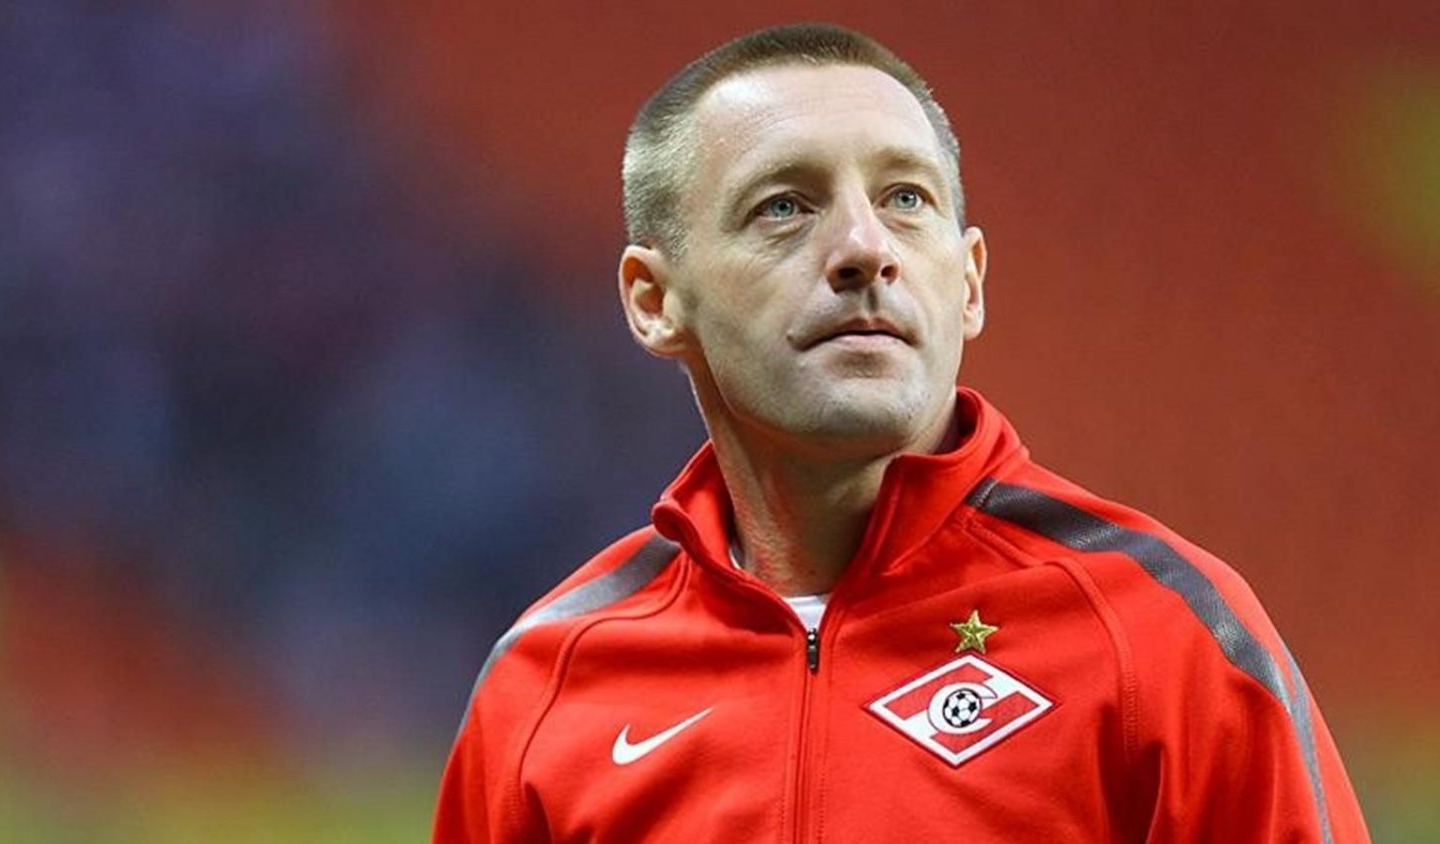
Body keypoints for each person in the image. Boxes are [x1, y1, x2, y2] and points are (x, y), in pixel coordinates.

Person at [433, 22, 1370, 843]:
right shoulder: (545, 682)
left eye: (906, 199)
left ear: (969, 283)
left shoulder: (1163, 637)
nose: (864, 249)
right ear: (654, 299)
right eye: (784, 206)